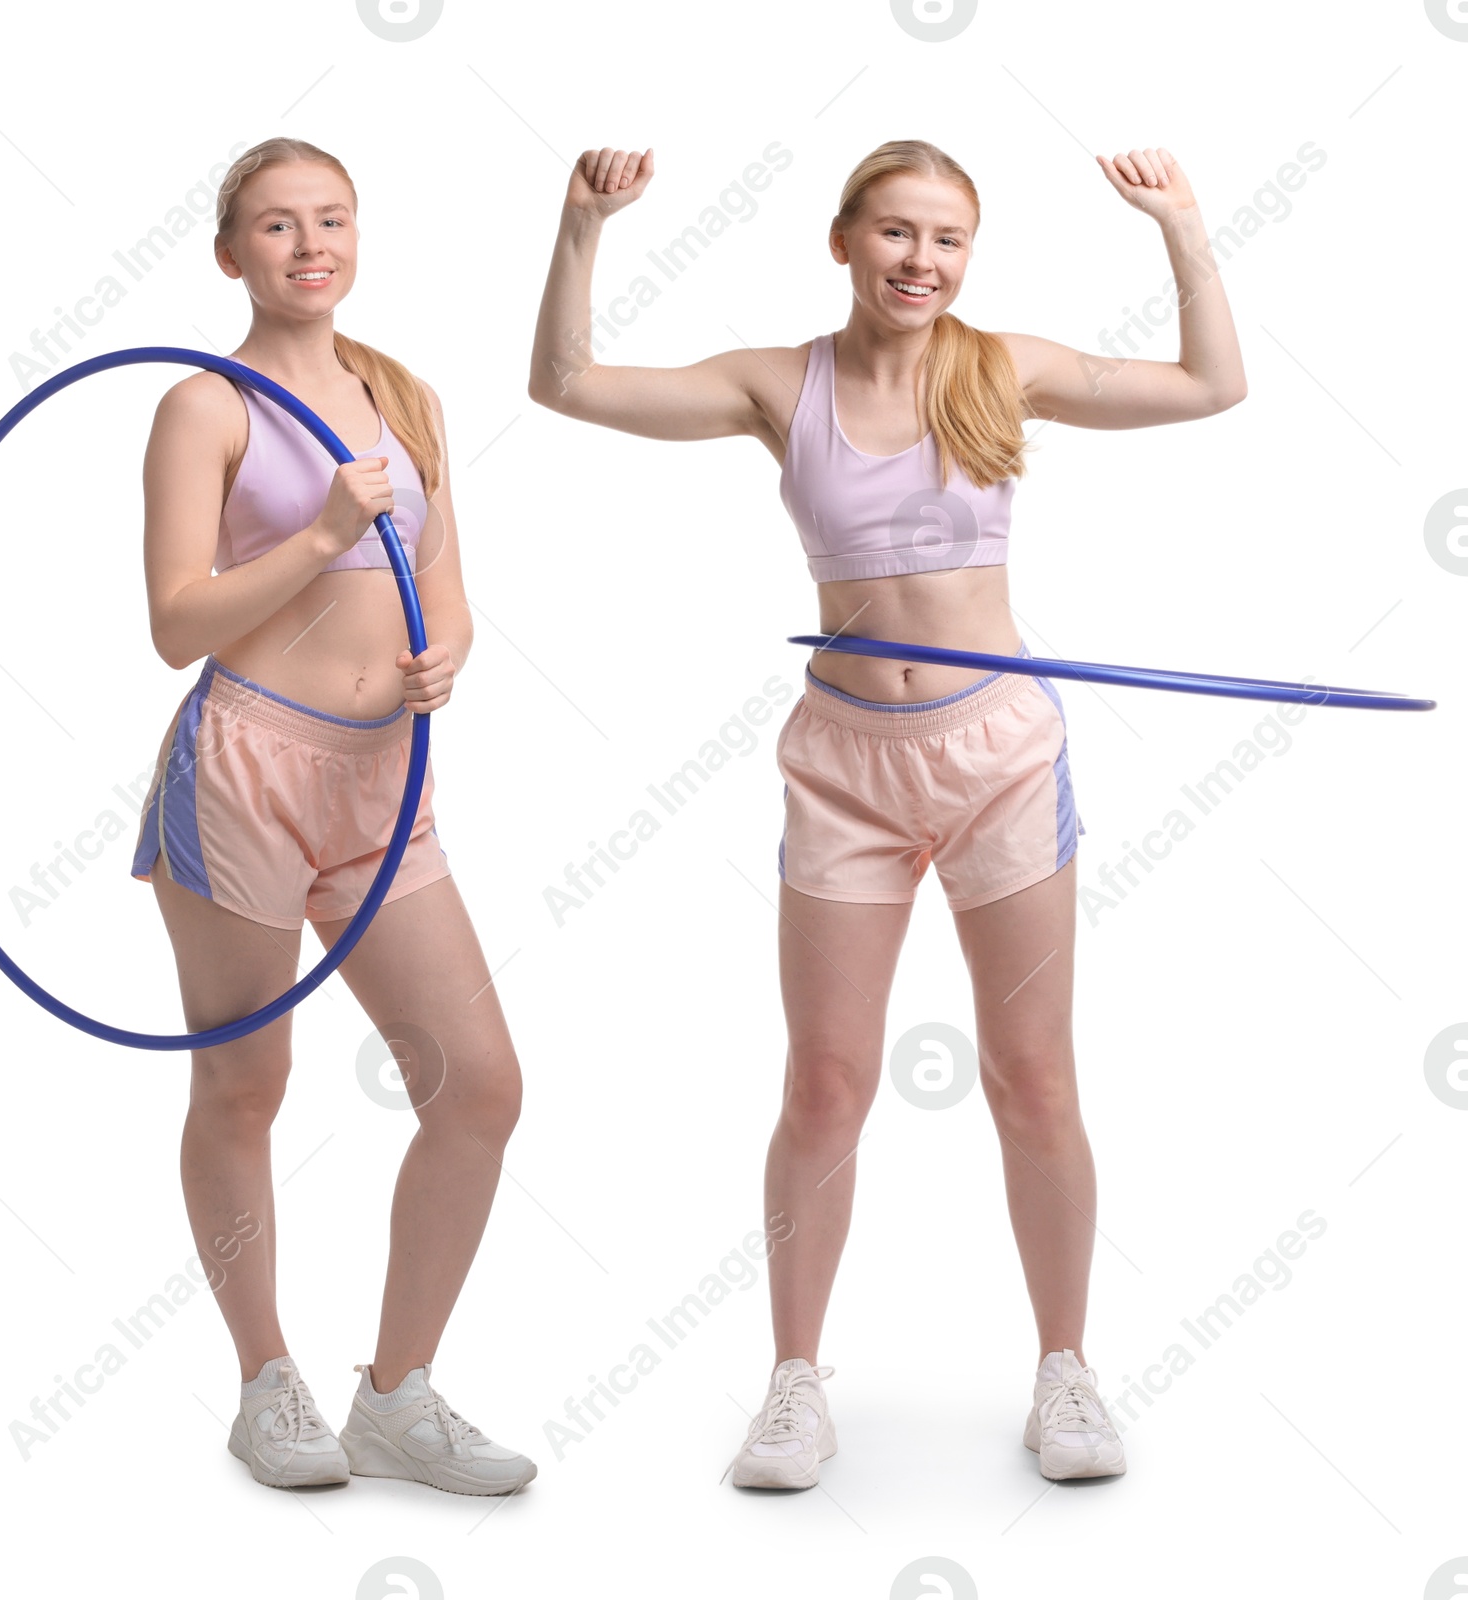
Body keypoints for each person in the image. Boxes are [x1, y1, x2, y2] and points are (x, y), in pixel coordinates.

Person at [527, 139, 1245, 1486]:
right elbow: (564, 384)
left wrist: (1183, 227)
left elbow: (1213, 382)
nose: (925, 262)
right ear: (844, 239)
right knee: (827, 1083)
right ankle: (795, 1384)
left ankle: (1068, 1374)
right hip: (846, 765)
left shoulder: (998, 366)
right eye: (900, 234)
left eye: (950, 240)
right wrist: (582, 228)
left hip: (1000, 757)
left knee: (1033, 1078)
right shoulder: (774, 384)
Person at [129, 136, 534, 1496]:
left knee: (479, 1083)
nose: (312, 244)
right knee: (247, 1080)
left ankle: (396, 1394)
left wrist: (448, 660)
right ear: (231, 251)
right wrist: (310, 539)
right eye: (279, 224)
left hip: (385, 780)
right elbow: (175, 625)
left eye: (333, 220)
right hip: (244, 768)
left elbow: (449, 584)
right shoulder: (207, 407)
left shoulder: (401, 395)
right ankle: (265, 1384)